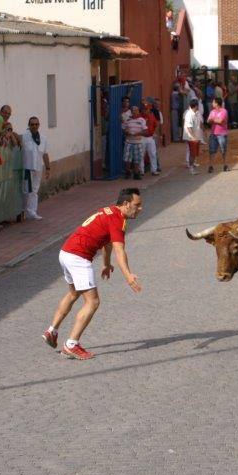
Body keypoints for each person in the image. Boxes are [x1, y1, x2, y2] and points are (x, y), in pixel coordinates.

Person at [43, 188, 144, 360]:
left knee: (74, 293)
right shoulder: (118, 220)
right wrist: (128, 275)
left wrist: (106, 264)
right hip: (78, 258)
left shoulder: (110, 211)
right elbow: (120, 249)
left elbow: (108, 244)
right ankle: (71, 345)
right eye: (137, 205)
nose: (140, 208)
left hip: (66, 252)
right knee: (93, 302)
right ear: (126, 204)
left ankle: (52, 331)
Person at [21, 116, 51, 220]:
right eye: (32, 124)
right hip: (27, 169)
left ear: (39, 125)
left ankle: (32, 212)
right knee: (26, 191)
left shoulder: (43, 138)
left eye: (36, 124)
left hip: (38, 168)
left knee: (34, 190)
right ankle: (24, 211)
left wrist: (48, 168)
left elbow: (45, 154)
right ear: (29, 125)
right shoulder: (24, 137)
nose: (34, 126)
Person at [122, 106, 147, 180]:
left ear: (138, 112)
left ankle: (136, 174)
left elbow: (145, 131)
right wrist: (127, 132)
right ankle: (128, 172)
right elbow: (124, 129)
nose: (134, 112)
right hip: (128, 142)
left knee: (137, 159)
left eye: (136, 110)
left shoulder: (141, 120)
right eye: (133, 110)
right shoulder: (128, 120)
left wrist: (138, 133)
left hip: (137, 142)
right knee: (127, 158)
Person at [207, 96, 230, 172]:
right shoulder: (212, 111)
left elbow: (220, 121)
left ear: (216, 103)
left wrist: (213, 120)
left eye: (213, 102)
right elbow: (208, 121)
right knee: (211, 150)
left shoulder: (224, 111)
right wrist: (215, 120)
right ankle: (211, 166)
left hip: (222, 133)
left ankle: (225, 165)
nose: (212, 104)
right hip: (214, 133)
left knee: (223, 150)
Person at [183, 98, 203, 174]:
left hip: (196, 137)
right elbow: (189, 127)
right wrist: (193, 137)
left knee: (194, 153)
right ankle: (191, 168)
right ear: (196, 106)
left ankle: (192, 166)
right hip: (191, 138)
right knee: (192, 153)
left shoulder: (197, 113)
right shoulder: (189, 114)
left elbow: (199, 125)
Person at [141, 99, 160, 176]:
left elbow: (156, 125)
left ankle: (154, 170)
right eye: (144, 109)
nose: (146, 110)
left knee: (153, 154)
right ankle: (141, 171)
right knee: (141, 155)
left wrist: (154, 132)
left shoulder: (152, 116)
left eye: (147, 109)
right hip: (142, 138)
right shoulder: (139, 117)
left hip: (150, 137)